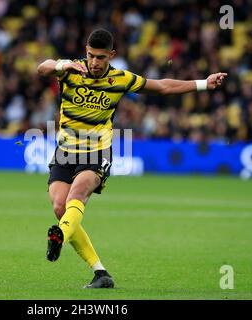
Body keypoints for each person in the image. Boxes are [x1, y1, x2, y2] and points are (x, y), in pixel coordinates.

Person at [37, 29, 227, 288]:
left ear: (111, 56)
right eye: (90, 56)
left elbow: (162, 87)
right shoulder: (71, 70)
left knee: (77, 195)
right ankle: (100, 273)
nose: (94, 62)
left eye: (100, 58)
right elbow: (42, 68)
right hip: (65, 151)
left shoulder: (121, 79)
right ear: (85, 51)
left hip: (97, 151)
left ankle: (59, 235)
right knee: (60, 208)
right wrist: (62, 63)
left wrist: (204, 83)